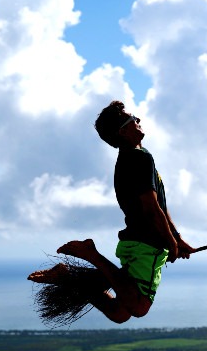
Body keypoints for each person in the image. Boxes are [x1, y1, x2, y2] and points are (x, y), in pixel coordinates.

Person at [28, 100, 195, 324]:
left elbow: (160, 206)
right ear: (123, 131)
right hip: (147, 244)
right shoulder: (140, 158)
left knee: (119, 312)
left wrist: (176, 238)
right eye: (133, 119)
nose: (138, 121)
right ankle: (91, 254)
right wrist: (170, 241)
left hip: (136, 243)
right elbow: (152, 209)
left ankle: (68, 276)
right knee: (138, 307)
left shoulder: (134, 157)